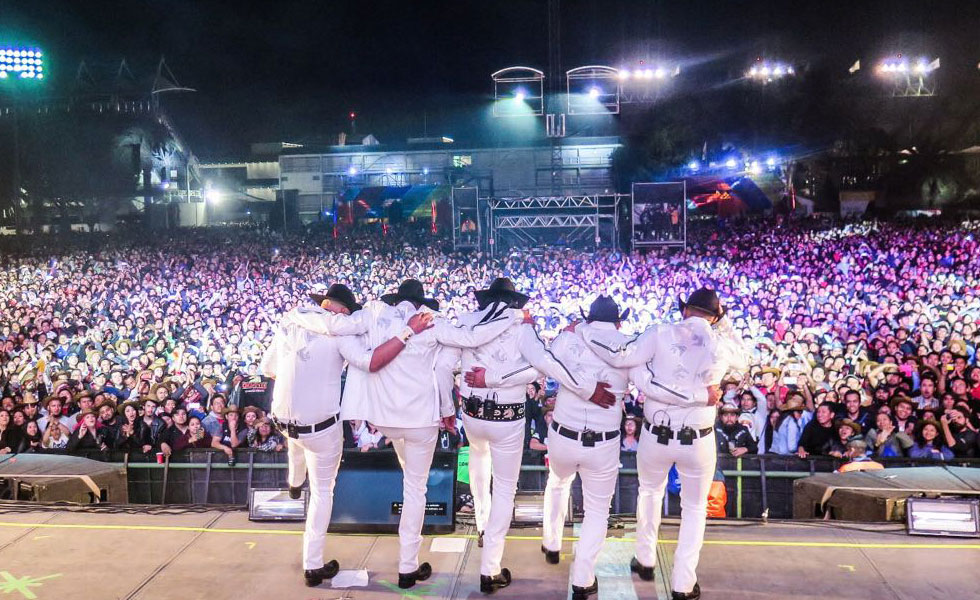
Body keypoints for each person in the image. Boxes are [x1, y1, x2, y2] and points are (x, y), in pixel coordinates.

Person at [302, 278, 520, 590]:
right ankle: (407, 569)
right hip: (420, 421)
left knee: (409, 479)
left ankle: (404, 564)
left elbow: (338, 326)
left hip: (384, 420)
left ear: (396, 299)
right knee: (415, 490)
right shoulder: (433, 322)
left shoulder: (374, 315)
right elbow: (472, 339)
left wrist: (297, 316)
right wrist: (511, 317)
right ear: (422, 303)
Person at [582, 287, 747, 600]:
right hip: (698, 439)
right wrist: (723, 325)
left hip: (656, 434)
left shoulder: (659, 333)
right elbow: (746, 361)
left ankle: (645, 559)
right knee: (695, 508)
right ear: (715, 316)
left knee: (649, 493)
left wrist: (587, 333)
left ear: (685, 310)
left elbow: (623, 356)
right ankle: (683, 584)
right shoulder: (722, 342)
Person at [262, 283, 424, 587]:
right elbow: (372, 362)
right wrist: (405, 333)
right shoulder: (341, 335)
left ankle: (295, 482)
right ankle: (312, 565)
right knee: (322, 493)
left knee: (294, 444)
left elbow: (268, 368)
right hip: (320, 429)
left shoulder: (289, 323)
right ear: (342, 310)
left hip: (283, 421)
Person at [473, 296, 621, 600]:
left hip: (563, 437)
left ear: (587, 319)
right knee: (596, 511)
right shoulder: (626, 345)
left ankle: (552, 544)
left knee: (557, 484)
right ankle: (582, 579)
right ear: (618, 322)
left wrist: (548, 330)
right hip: (603, 443)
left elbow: (539, 362)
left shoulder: (568, 339)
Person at [445, 277, 534, 594]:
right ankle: (490, 567)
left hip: (471, 413)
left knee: (479, 458)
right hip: (507, 417)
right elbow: (537, 370)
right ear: (513, 302)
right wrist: (495, 379)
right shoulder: (522, 327)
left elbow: (446, 363)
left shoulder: (468, 321)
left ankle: (482, 521)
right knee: (506, 486)